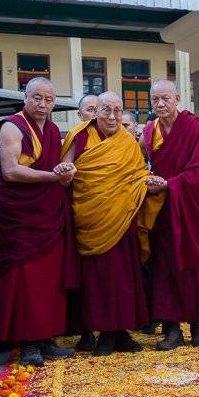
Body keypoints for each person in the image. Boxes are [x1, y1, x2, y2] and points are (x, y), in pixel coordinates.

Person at [61, 91, 159, 356]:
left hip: (122, 215)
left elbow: (138, 173)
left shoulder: (127, 141)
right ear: (95, 112)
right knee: (98, 280)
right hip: (92, 217)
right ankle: (103, 334)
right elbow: (65, 168)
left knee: (125, 277)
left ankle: (122, 332)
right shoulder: (78, 135)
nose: (113, 116)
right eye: (106, 110)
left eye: (118, 110)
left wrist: (149, 183)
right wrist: (66, 172)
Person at [0, 77, 78, 367]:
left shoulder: (53, 129)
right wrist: (55, 177)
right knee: (26, 281)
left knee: (50, 281)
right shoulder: (11, 126)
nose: (43, 105)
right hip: (20, 218)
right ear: (24, 97)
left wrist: (64, 169)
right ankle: (27, 343)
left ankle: (47, 338)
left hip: (48, 213)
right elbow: (11, 170)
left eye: (49, 100)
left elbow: (56, 166)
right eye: (37, 98)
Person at [143, 79, 199, 350]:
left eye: (165, 98)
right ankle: (172, 330)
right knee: (166, 270)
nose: (160, 104)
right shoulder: (148, 132)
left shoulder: (196, 128)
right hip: (163, 210)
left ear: (177, 99)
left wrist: (170, 184)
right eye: (155, 99)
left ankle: (198, 327)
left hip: (192, 208)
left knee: (195, 268)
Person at [67, 92, 100, 350]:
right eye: (89, 109)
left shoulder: (119, 139)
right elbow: (66, 174)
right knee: (87, 280)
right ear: (80, 115)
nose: (95, 114)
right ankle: (86, 331)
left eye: (99, 109)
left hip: (114, 215)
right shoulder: (76, 137)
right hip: (85, 214)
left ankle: (115, 330)